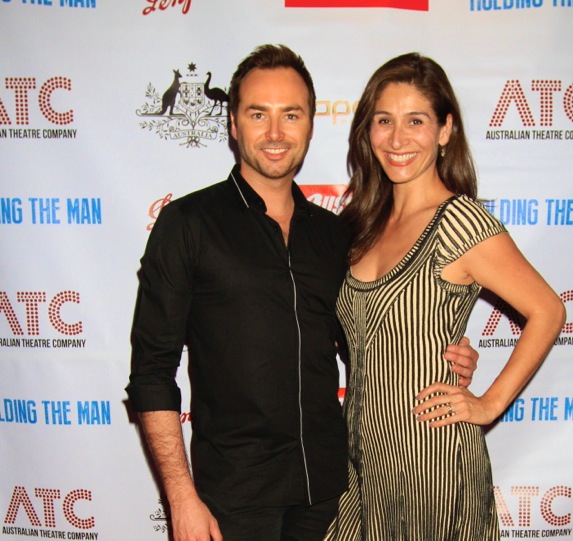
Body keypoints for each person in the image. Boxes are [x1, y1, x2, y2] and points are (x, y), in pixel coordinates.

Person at [126, 45, 480, 541]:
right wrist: (181, 498)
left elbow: (370, 337)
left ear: (310, 124)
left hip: (330, 496)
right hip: (232, 499)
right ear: (233, 123)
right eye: (258, 114)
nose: (275, 134)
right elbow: (151, 373)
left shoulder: (335, 236)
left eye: (290, 115)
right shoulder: (188, 225)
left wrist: (443, 351)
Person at [326, 53, 567, 541]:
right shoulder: (359, 227)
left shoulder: (459, 222)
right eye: (384, 121)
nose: (397, 139)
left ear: (444, 130)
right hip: (361, 457)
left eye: (416, 121)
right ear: (367, 131)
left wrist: (488, 404)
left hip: (430, 456)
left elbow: (548, 310)